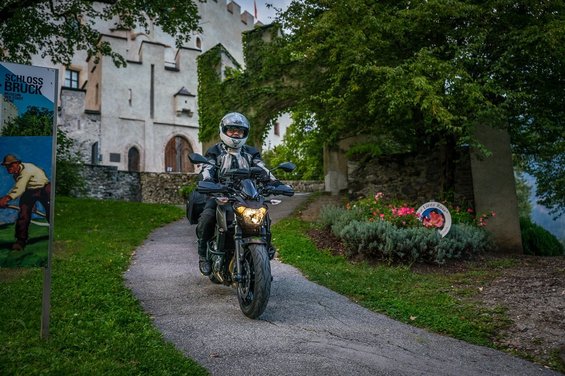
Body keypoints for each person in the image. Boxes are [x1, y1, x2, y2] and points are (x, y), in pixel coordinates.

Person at [196, 112, 285, 275]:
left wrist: (275, 183)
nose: (236, 133)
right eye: (232, 130)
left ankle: (265, 245)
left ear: (245, 133)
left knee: (262, 216)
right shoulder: (215, 151)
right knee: (207, 217)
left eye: (240, 130)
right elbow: (207, 167)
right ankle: (203, 255)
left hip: (246, 195)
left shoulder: (251, 152)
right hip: (221, 194)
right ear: (224, 130)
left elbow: (262, 168)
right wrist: (207, 181)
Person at [0, 154, 51, 250]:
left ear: (18, 163)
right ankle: (20, 241)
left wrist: (6, 198)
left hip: (44, 189)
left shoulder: (26, 170)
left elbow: (20, 187)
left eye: (10, 166)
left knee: (50, 212)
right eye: (7, 166)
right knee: (23, 214)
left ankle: (54, 234)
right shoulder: (16, 172)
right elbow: (20, 186)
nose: (8, 168)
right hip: (29, 191)